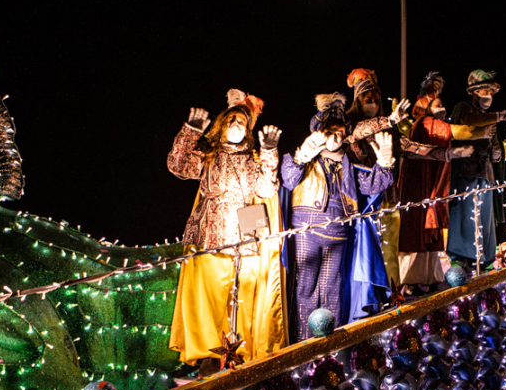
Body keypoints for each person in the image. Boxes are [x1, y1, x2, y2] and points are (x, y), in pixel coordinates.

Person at [167, 89, 287, 368]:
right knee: (208, 297)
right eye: (232, 120)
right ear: (222, 123)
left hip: (243, 238)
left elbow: (267, 187)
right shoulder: (208, 155)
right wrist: (191, 130)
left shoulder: (253, 159)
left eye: (242, 123)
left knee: (239, 296)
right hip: (208, 239)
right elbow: (177, 165)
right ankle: (208, 354)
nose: (236, 125)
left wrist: (269, 151)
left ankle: (237, 350)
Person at [340, 68, 471, 316]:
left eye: (376, 98)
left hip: (387, 201)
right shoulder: (351, 127)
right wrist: (388, 120)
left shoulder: (387, 132)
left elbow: (411, 148)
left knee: (389, 252)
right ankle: (364, 305)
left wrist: (445, 153)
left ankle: (391, 296)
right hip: (360, 204)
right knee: (363, 257)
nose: (373, 102)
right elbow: (358, 131)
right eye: (367, 97)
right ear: (357, 100)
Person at [281, 93, 395, 341]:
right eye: (330, 131)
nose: (336, 136)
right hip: (306, 231)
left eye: (340, 131)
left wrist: (385, 164)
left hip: (339, 232)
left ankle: (331, 348)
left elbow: (372, 185)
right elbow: (288, 179)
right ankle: (302, 348)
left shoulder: (349, 164)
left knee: (333, 289)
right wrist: (302, 155)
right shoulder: (306, 160)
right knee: (304, 290)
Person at [398, 72, 491, 289]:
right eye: (438, 102)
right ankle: (416, 278)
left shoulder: (423, 124)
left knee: (423, 225)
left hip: (427, 185)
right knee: (421, 226)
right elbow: (458, 131)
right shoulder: (428, 123)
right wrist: (484, 130)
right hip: (423, 187)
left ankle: (427, 276)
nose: (443, 107)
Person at [448, 69, 506, 270]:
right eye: (485, 91)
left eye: (491, 92)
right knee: (465, 215)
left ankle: (485, 257)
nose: (488, 96)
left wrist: (496, 152)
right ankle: (460, 256)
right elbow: (466, 123)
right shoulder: (463, 108)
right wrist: (495, 117)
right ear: (474, 92)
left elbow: (493, 141)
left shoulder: (489, 117)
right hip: (466, 171)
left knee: (485, 216)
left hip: (486, 172)